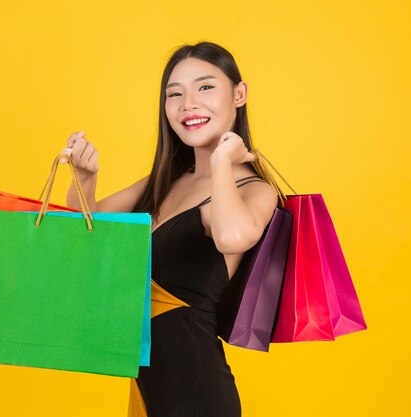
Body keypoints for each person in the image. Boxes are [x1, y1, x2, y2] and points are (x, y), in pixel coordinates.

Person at [61, 41, 278, 417]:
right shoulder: (166, 179)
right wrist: (85, 178)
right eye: (174, 94)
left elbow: (232, 238)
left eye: (205, 87)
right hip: (148, 387)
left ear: (238, 94)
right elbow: (83, 233)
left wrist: (224, 162)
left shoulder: (256, 190)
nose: (188, 104)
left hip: (195, 393)